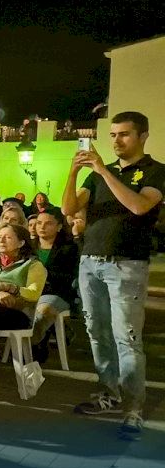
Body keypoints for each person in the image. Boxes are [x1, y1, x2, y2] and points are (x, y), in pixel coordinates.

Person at [62, 112, 162, 437]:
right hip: (90, 261)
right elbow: (68, 209)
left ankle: (133, 409)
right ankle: (108, 393)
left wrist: (103, 171)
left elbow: (139, 206)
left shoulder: (155, 171)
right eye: (113, 135)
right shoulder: (96, 177)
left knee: (127, 338)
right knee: (97, 332)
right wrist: (74, 172)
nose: (117, 141)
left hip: (127, 264)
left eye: (124, 134)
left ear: (142, 136)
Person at [0, 223, 47, 336]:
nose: (1, 240)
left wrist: (10, 288)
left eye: (8, 237)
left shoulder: (33, 264)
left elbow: (34, 293)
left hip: (17, 313)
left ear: (21, 243)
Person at [31, 210, 79, 362]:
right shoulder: (28, 247)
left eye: (48, 223)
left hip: (58, 292)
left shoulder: (70, 248)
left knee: (43, 311)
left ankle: (34, 343)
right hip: (30, 291)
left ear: (59, 227)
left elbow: (71, 277)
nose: (42, 227)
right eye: (39, 223)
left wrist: (45, 275)